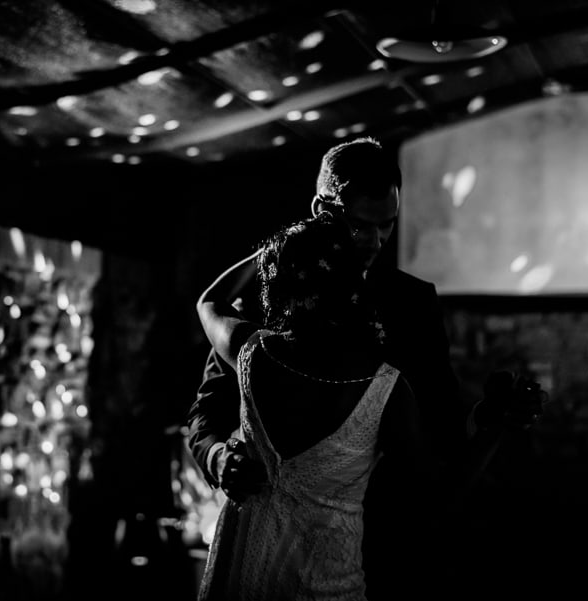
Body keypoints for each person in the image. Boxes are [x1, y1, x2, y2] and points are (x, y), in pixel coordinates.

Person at [186, 137, 545, 600]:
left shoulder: (412, 305)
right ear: (321, 210)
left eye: (387, 226)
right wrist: (218, 458)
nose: (374, 242)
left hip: (382, 554)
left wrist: (487, 419)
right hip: (251, 547)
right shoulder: (261, 298)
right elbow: (205, 416)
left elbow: (443, 430)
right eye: (359, 226)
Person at [195, 211, 440, 600]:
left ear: (280, 283)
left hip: (242, 578)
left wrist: (285, 249)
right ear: (353, 283)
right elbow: (432, 501)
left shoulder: (254, 354)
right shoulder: (387, 388)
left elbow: (210, 300)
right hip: (327, 587)